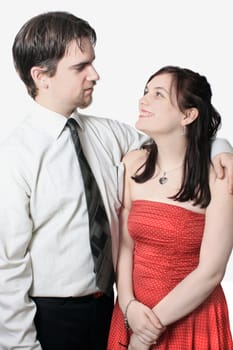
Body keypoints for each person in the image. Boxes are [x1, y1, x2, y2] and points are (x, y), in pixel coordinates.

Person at [0, 12, 232, 350]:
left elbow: (174, 143)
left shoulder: (107, 134)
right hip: (50, 317)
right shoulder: (15, 156)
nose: (95, 74)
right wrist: (21, 345)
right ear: (42, 76)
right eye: (80, 67)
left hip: (110, 311)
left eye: (92, 63)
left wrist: (220, 148)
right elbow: (7, 263)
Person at [107, 65, 233, 350]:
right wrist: (128, 306)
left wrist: (147, 330)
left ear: (188, 115)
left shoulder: (219, 175)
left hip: (190, 317)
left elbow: (211, 271)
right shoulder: (132, 163)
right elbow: (125, 246)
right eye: (145, 92)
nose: (144, 100)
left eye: (158, 94)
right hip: (134, 313)